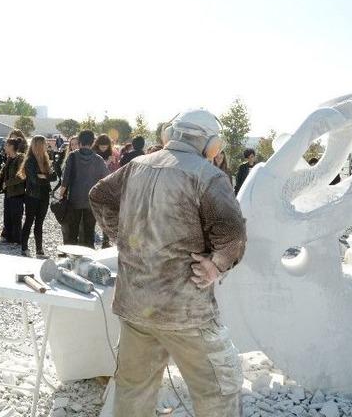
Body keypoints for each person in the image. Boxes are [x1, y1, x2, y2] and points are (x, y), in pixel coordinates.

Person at [89, 109, 247, 416]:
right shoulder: (208, 174)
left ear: (169, 135)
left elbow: (99, 195)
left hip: (135, 305)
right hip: (185, 312)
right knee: (219, 391)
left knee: (134, 390)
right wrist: (216, 264)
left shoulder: (136, 165)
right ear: (212, 145)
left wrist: (119, 235)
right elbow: (233, 233)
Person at [59, 129, 108, 248]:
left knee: (73, 232)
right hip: (91, 201)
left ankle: (72, 258)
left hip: (74, 200)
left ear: (80, 141)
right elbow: (106, 180)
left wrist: (61, 195)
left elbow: (65, 179)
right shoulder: (99, 159)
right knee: (89, 232)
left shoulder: (72, 156)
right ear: (92, 143)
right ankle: (87, 259)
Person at [18, 135, 55, 256]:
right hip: (32, 196)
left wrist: (43, 175)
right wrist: (45, 176)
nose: (46, 146)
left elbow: (54, 177)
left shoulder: (45, 158)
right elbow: (34, 180)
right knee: (29, 221)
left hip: (44, 196)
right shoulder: (30, 160)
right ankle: (24, 248)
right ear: (38, 145)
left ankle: (39, 250)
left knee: (40, 223)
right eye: (44, 143)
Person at [0, 137, 26, 244]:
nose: (4, 147)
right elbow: (3, 170)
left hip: (17, 193)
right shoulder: (9, 158)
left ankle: (17, 240)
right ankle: (9, 237)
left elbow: (21, 176)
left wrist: (6, 183)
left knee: (16, 217)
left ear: (12, 147)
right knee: (7, 216)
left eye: (6, 145)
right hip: (8, 193)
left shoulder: (20, 158)